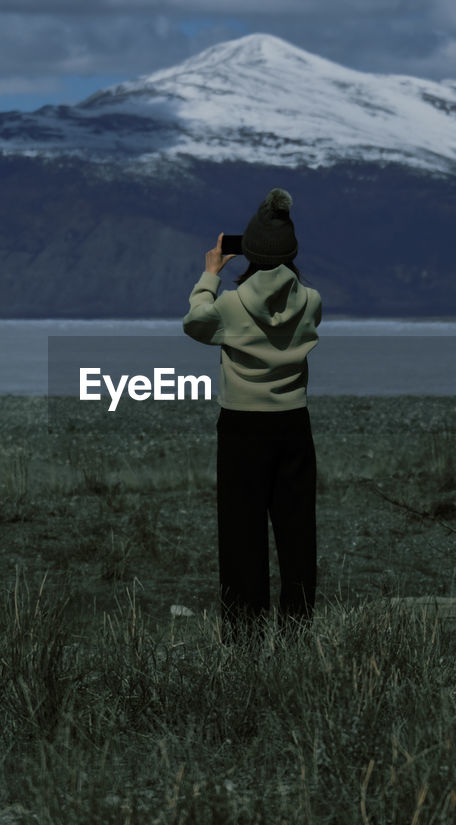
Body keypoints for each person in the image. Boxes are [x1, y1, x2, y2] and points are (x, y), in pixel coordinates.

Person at [182, 188, 323, 641]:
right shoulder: (312, 302)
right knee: (297, 531)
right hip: (293, 424)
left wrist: (210, 277)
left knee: (242, 534)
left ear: (251, 253)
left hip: (242, 426)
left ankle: (245, 637)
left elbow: (194, 322)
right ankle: (297, 631)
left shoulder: (229, 306)